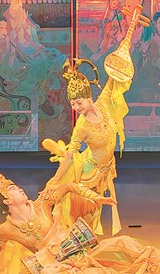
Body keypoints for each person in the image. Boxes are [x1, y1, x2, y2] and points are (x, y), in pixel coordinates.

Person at [0, 172, 160, 274]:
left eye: (18, 187)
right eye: (14, 189)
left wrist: (95, 197)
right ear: (7, 201)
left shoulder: (42, 204)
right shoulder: (6, 228)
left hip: (81, 249)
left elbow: (69, 186)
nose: (20, 189)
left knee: (123, 243)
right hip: (58, 264)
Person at [42, 57, 132, 236]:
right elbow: (70, 154)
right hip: (88, 173)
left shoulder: (103, 104)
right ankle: (73, 242)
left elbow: (113, 78)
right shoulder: (82, 126)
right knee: (84, 212)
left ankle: (85, 242)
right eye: (72, 104)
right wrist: (55, 180)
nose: (76, 107)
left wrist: (124, 47)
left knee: (94, 211)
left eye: (79, 103)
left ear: (89, 98)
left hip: (105, 169)